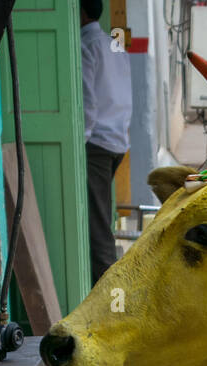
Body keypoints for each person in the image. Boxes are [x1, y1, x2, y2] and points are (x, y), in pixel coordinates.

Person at [80, 0, 133, 285]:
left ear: (80, 12)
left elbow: (87, 104)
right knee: (100, 220)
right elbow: (126, 97)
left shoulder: (85, 47)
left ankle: (110, 296)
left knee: (98, 227)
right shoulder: (113, 45)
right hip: (115, 143)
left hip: (96, 146)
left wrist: (80, 143)